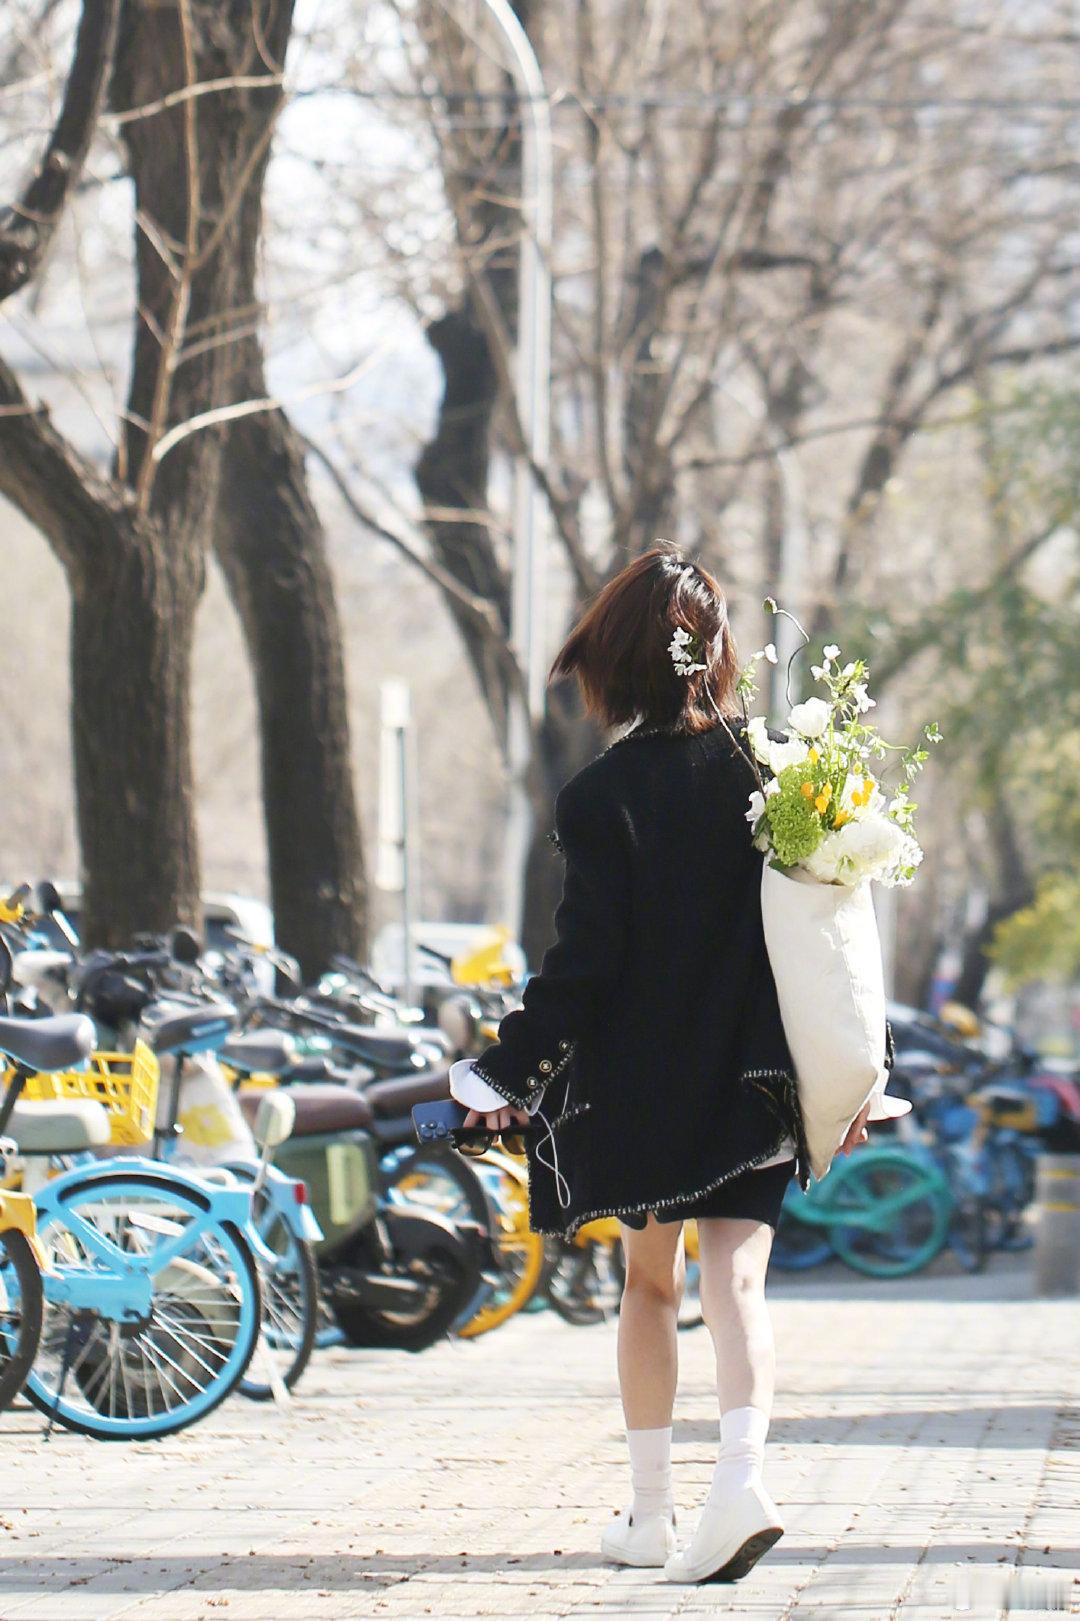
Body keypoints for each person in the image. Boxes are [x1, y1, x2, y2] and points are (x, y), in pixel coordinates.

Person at [448, 542, 872, 1585]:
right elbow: (836, 938)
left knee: (650, 1287)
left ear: (617, 661)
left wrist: (502, 1072)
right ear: (714, 654)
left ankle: (650, 1513)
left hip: (645, 1087)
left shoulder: (602, 798)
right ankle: (741, 1480)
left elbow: (584, 966)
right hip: (759, 1079)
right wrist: (860, 1072)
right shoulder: (778, 774)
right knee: (739, 1280)